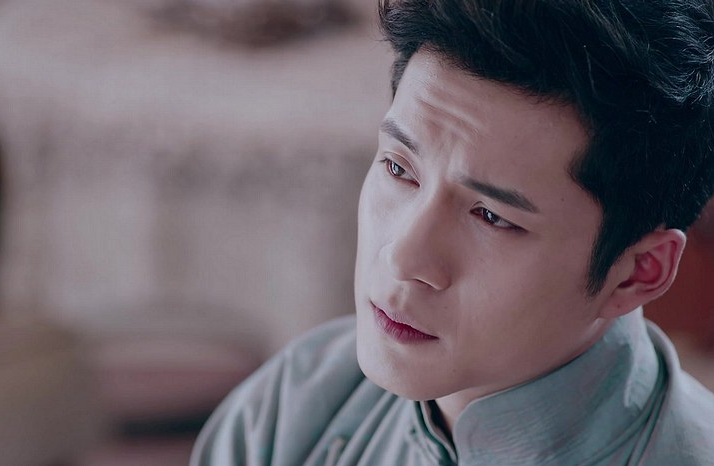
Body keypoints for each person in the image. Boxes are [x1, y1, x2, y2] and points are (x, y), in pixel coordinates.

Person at [191, 0, 714, 464]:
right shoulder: (297, 403)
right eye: (399, 168)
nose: (403, 258)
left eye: (491, 216)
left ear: (636, 273)